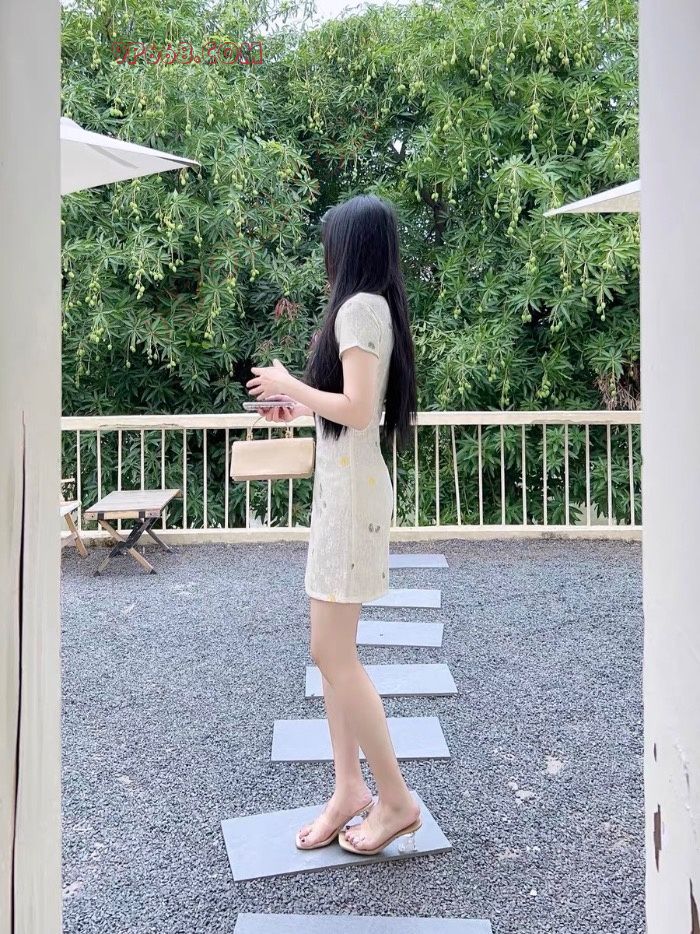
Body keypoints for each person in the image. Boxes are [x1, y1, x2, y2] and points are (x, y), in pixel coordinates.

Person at [246, 193, 419, 856]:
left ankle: (395, 799)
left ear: (348, 248)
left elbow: (358, 408)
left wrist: (291, 383)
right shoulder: (373, 307)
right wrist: (298, 406)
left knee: (334, 655)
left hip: (351, 502)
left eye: (330, 245)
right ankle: (349, 787)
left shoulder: (357, 307)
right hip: (346, 493)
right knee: (331, 653)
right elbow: (347, 410)